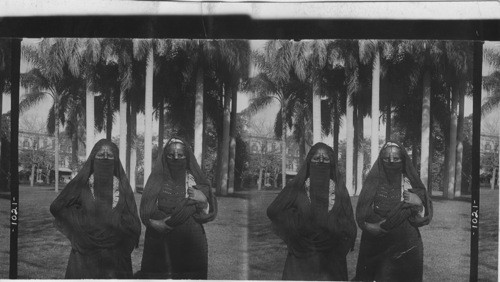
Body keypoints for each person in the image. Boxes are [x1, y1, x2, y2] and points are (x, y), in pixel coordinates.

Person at [50, 139, 141, 279]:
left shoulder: (123, 187)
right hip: (85, 253)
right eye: (100, 154)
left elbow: (132, 218)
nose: (105, 157)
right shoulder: (82, 184)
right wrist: (80, 223)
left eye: (110, 155)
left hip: (115, 254)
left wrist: (120, 228)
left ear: (116, 160)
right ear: (93, 158)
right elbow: (57, 207)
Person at [267, 142, 357, 281]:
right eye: (316, 158)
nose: (321, 161)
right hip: (301, 255)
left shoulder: (339, 190)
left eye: (325, 159)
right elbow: (273, 210)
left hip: (331, 259)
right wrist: (296, 225)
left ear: (331, 163)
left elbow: (348, 221)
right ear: (309, 162)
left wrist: (338, 236)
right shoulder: (297, 187)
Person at [138, 137, 217, 279]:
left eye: (180, 155)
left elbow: (206, 213)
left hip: (190, 241)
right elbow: (146, 209)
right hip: (160, 239)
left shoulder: (195, 179)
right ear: (165, 156)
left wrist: (203, 200)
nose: (175, 158)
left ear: (187, 157)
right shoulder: (157, 178)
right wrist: (155, 223)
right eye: (170, 155)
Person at [354, 141, 433, 282]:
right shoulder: (373, 180)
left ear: (402, 160)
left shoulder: (409, 180)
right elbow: (362, 210)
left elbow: (423, 216)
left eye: (396, 159)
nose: (391, 161)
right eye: (386, 158)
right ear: (381, 159)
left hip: (406, 243)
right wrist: (368, 226)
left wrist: (418, 201)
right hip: (376, 240)